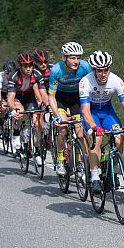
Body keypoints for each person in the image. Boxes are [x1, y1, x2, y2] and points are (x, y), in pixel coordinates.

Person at [79, 50, 124, 192]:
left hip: (107, 112)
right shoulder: (85, 82)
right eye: (100, 70)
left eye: (106, 70)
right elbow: (85, 110)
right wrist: (93, 126)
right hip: (92, 113)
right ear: (94, 70)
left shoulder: (116, 80)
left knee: (118, 137)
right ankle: (94, 176)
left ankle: (113, 170)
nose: (103, 74)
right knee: (96, 139)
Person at [48, 42, 91, 176]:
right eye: (72, 58)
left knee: (79, 132)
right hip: (60, 98)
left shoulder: (85, 67)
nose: (76, 61)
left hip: (77, 98)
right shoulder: (56, 70)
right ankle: (60, 159)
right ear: (64, 58)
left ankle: (80, 162)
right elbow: (51, 95)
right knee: (63, 128)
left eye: (78, 57)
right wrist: (56, 115)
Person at [7, 52, 46, 164]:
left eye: (30, 65)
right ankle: (15, 132)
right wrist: (14, 110)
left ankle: (37, 151)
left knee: (37, 122)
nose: (28, 69)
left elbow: (43, 93)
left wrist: (46, 105)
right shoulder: (14, 76)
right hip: (17, 97)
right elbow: (10, 98)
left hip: (29, 97)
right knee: (21, 113)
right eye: (25, 66)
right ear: (20, 66)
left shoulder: (37, 74)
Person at [0, 60, 16, 137]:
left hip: (12, 92)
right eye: (7, 73)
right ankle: (0, 123)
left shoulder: (16, 75)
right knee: (3, 108)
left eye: (11, 73)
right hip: (2, 93)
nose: (9, 75)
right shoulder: (0, 76)